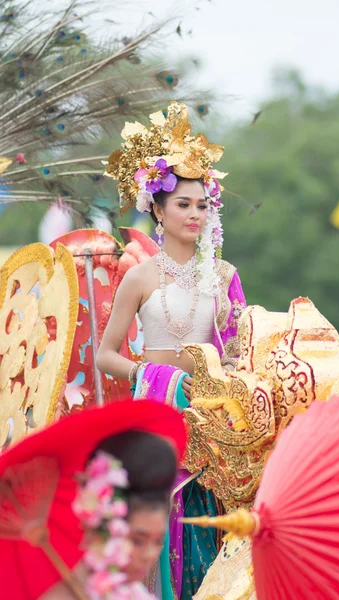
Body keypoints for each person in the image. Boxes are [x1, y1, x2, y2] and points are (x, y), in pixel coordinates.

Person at [96, 102, 247, 600]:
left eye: (203, 205)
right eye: (183, 204)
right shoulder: (139, 276)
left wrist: (211, 387)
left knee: (210, 530)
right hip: (155, 418)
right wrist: (156, 378)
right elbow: (105, 355)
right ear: (158, 209)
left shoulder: (224, 278)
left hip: (208, 422)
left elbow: (237, 355)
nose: (195, 214)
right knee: (158, 531)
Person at [41, 430, 177, 600]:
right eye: (137, 540)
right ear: (101, 527)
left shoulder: (135, 594)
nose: (150, 554)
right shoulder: (64, 595)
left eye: (158, 541)